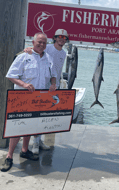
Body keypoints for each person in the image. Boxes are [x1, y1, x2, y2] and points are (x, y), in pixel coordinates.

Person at [1, 33, 57, 172]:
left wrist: (53, 84)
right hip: (22, 99)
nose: (41, 45)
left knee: (31, 126)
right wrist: (24, 84)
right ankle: (9, 157)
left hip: (39, 100)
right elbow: (11, 75)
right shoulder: (23, 56)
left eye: (44, 43)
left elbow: (54, 75)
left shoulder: (49, 59)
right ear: (33, 42)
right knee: (17, 128)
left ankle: (25, 150)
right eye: (39, 42)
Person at [24, 29, 69, 154]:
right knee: (37, 116)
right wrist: (28, 50)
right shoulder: (47, 47)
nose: (61, 39)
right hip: (42, 86)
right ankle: (35, 143)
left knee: (45, 117)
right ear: (54, 38)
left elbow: (57, 71)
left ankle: (39, 140)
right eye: (59, 37)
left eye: (64, 37)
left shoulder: (64, 53)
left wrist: (56, 85)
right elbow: (34, 51)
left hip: (54, 88)